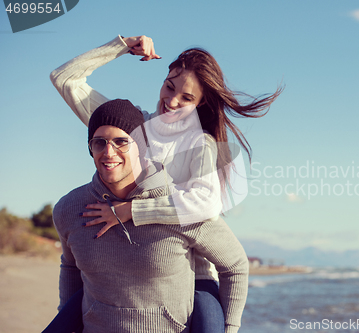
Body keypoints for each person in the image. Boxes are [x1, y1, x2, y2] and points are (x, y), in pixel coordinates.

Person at [48, 35, 282, 332]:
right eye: (170, 86)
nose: (172, 101)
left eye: (187, 98)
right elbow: (65, 79)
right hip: (117, 275)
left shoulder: (198, 145)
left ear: (201, 103)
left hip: (192, 275)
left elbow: (206, 203)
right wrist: (120, 46)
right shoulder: (128, 127)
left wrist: (131, 211)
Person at [51, 99, 249, 333]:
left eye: (121, 142)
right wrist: (65, 317)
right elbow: (71, 267)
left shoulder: (180, 207)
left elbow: (235, 265)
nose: (108, 152)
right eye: (99, 142)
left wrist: (229, 327)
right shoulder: (69, 208)